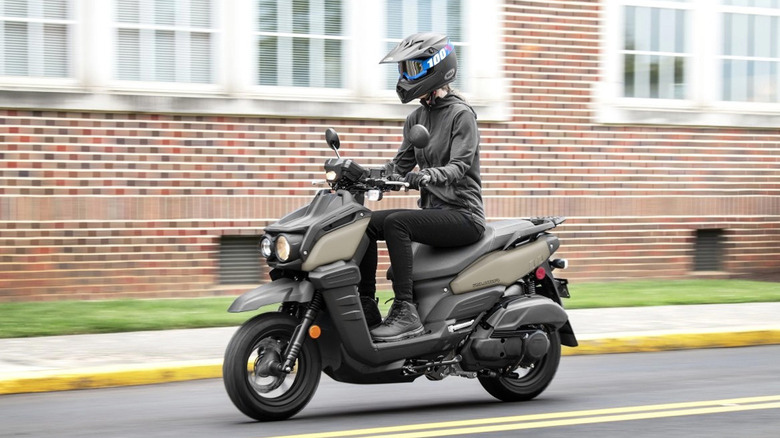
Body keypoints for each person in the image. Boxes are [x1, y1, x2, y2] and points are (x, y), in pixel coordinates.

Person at [358, 32, 486, 342]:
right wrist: (358, 174)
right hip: (433, 212)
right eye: (403, 71)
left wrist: (429, 176)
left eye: (412, 70)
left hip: (463, 215)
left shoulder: (461, 115)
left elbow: (459, 167)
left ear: (437, 67)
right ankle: (367, 306)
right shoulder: (417, 117)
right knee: (363, 224)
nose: (405, 77)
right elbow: (397, 167)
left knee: (398, 223)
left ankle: (406, 312)